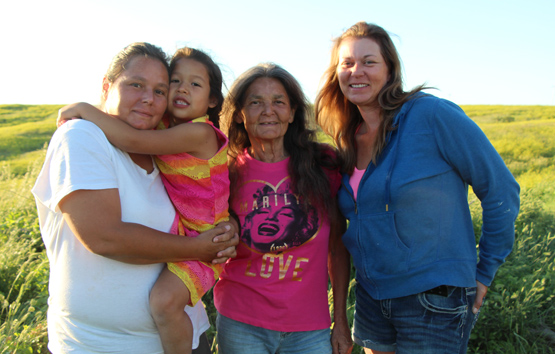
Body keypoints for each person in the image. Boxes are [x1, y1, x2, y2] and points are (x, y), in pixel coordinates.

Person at [315, 22, 520, 354]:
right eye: (347, 63)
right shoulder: (349, 139)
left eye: (369, 62)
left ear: (390, 69)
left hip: (432, 297)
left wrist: (486, 270)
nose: (357, 71)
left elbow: (501, 189)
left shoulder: (430, 115)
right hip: (371, 295)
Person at [32, 42, 238, 354]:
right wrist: (197, 247)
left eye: (159, 90)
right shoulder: (82, 136)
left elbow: (204, 197)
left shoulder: (162, 145)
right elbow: (105, 238)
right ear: (107, 86)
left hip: (186, 337)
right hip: (99, 346)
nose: (149, 98)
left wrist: (227, 228)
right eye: (136, 85)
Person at [214, 63, 353, 354]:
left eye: (278, 102)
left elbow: (338, 248)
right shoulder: (224, 173)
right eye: (255, 102)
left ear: (292, 113)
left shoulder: (324, 165)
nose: (268, 111)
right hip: (242, 322)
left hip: (310, 328)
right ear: (240, 114)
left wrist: (340, 321)